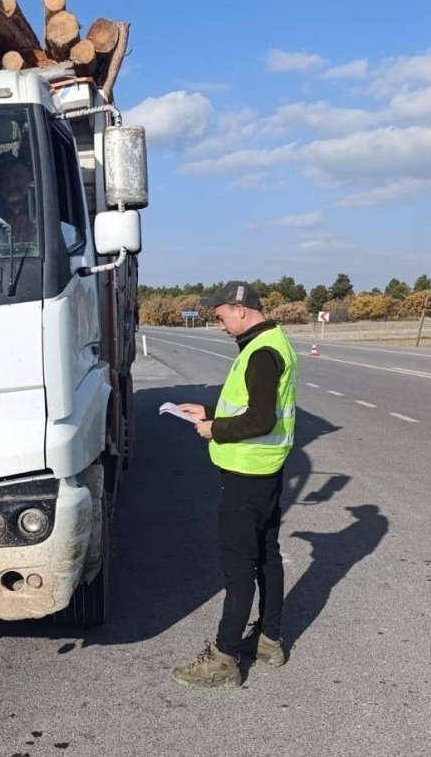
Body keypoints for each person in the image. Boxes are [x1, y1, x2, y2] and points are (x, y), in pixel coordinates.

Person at [170, 280, 298, 688]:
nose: (220, 324)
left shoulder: (261, 353)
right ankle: (269, 641)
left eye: (221, 315)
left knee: (238, 566)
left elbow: (261, 420)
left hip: (246, 474)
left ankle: (224, 659)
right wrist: (206, 409)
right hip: (265, 470)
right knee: (266, 556)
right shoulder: (272, 342)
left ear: (240, 309)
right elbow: (253, 405)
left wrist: (214, 429)